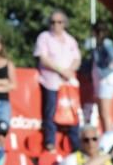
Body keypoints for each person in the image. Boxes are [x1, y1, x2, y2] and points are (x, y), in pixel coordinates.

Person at [34, 9, 81, 152]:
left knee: (73, 113)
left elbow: (77, 59)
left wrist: (69, 72)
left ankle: (75, 145)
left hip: (68, 83)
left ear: (64, 24)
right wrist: (61, 71)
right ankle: (50, 143)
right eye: (53, 22)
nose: (56, 25)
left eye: (59, 22)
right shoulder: (44, 37)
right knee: (50, 112)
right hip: (52, 82)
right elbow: (43, 58)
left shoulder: (70, 40)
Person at [88, 21, 113, 133]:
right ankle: (106, 133)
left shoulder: (106, 43)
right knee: (101, 112)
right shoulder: (97, 45)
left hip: (106, 80)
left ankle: (109, 137)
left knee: (105, 112)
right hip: (101, 80)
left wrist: (110, 69)